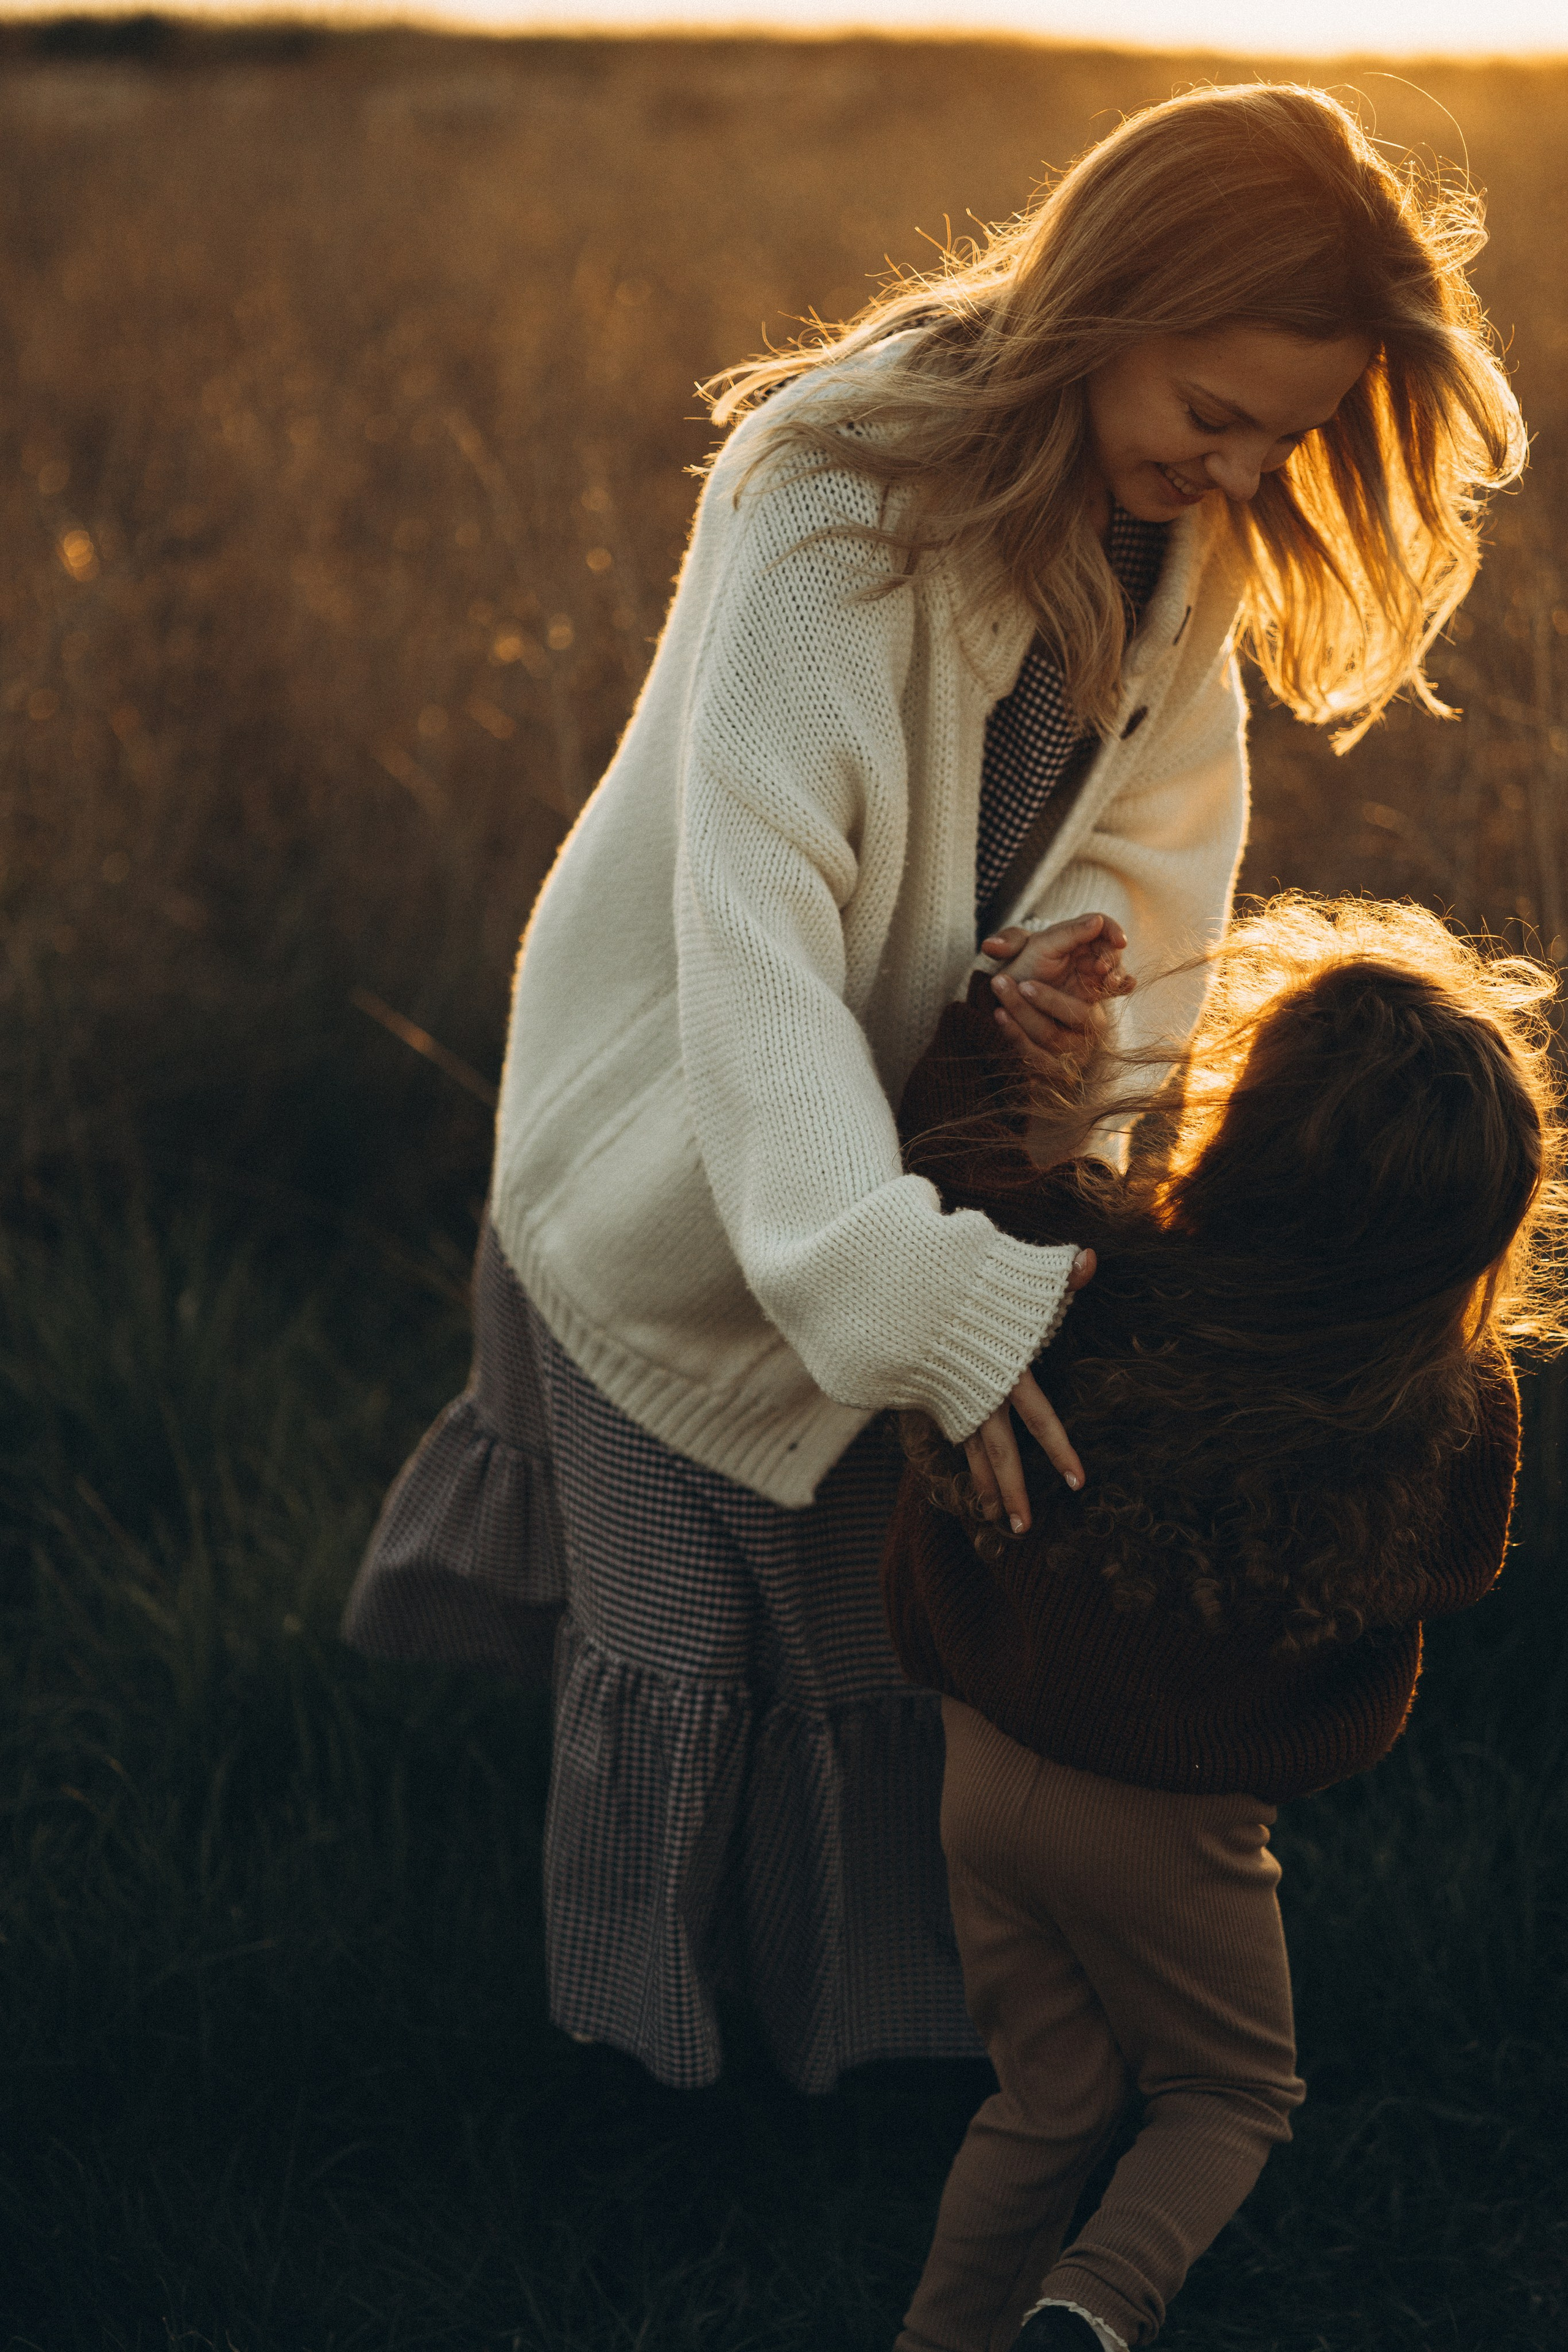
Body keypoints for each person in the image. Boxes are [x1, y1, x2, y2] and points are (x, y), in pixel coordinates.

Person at [342, 83, 1524, 2094]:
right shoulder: (835, 490)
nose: (1241, 468)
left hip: (923, 1139)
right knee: (687, 1633)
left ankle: (871, 2060)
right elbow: (766, 934)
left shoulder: (1181, 530)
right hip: (696, 1140)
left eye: (1288, 436)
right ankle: (640, 2076)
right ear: (1109, 299)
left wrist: (1062, 1026)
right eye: (1215, 408)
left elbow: (1158, 848)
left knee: (867, 1635)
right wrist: (932, 1309)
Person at [881, 894, 1566, 2352]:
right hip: (1166, 1824)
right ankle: (1092, 2308)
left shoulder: (1077, 1271)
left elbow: (952, 1164)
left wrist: (996, 1036)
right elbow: (1457, 1572)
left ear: (1233, 1125)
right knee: (1228, 2094)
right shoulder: (1437, 1421)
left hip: (978, 1762)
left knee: (1046, 2094)